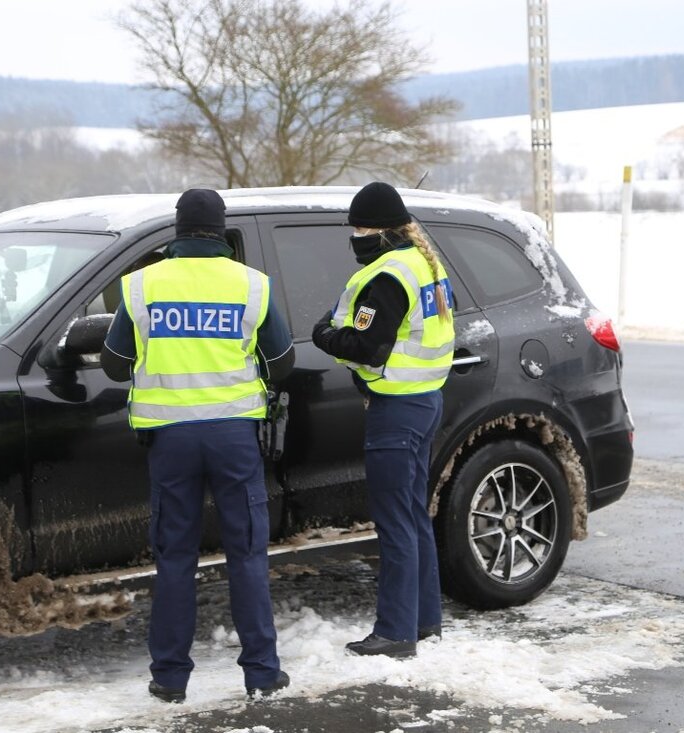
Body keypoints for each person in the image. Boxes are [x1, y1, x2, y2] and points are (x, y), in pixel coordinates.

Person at [100, 188, 295, 703]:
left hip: (170, 441)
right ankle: (261, 671)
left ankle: (168, 678)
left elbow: (115, 364)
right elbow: (282, 364)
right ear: (221, 230)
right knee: (247, 553)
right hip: (234, 437)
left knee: (176, 558)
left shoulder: (141, 286)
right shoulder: (254, 286)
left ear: (178, 231)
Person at [311, 182, 455, 659]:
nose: (355, 235)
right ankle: (424, 620)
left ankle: (395, 633)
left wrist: (326, 336)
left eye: (360, 227)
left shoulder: (389, 276)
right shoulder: (423, 262)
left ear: (380, 229)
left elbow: (369, 346)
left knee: (395, 522)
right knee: (414, 515)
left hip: (396, 408)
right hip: (424, 400)